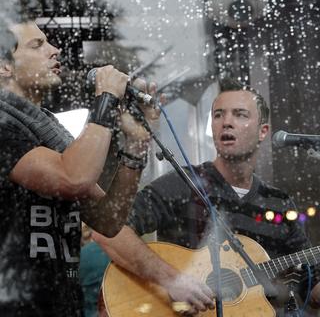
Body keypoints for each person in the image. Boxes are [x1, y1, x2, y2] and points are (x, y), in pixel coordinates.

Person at [93, 79, 320, 316]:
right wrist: (172, 280)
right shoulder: (185, 184)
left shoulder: (279, 203)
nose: (227, 122)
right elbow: (108, 230)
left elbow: (312, 285)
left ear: (263, 131)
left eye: (240, 115)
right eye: (219, 115)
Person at [0, 17, 159, 317]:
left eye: (48, 42)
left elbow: (107, 219)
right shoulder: (4, 126)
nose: (55, 49)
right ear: (4, 66)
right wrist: (106, 98)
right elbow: (73, 177)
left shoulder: (52, 132)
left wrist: (136, 146)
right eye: (37, 44)